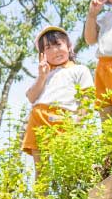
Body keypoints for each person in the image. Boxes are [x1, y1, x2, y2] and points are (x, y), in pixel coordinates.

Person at [21, 26, 94, 158]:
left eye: (58, 44)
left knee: (69, 164)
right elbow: (31, 97)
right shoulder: (43, 75)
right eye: (48, 48)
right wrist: (42, 76)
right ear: (42, 55)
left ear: (69, 46)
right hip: (38, 118)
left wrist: (79, 122)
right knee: (41, 171)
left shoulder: (80, 70)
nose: (55, 51)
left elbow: (86, 97)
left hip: (65, 119)